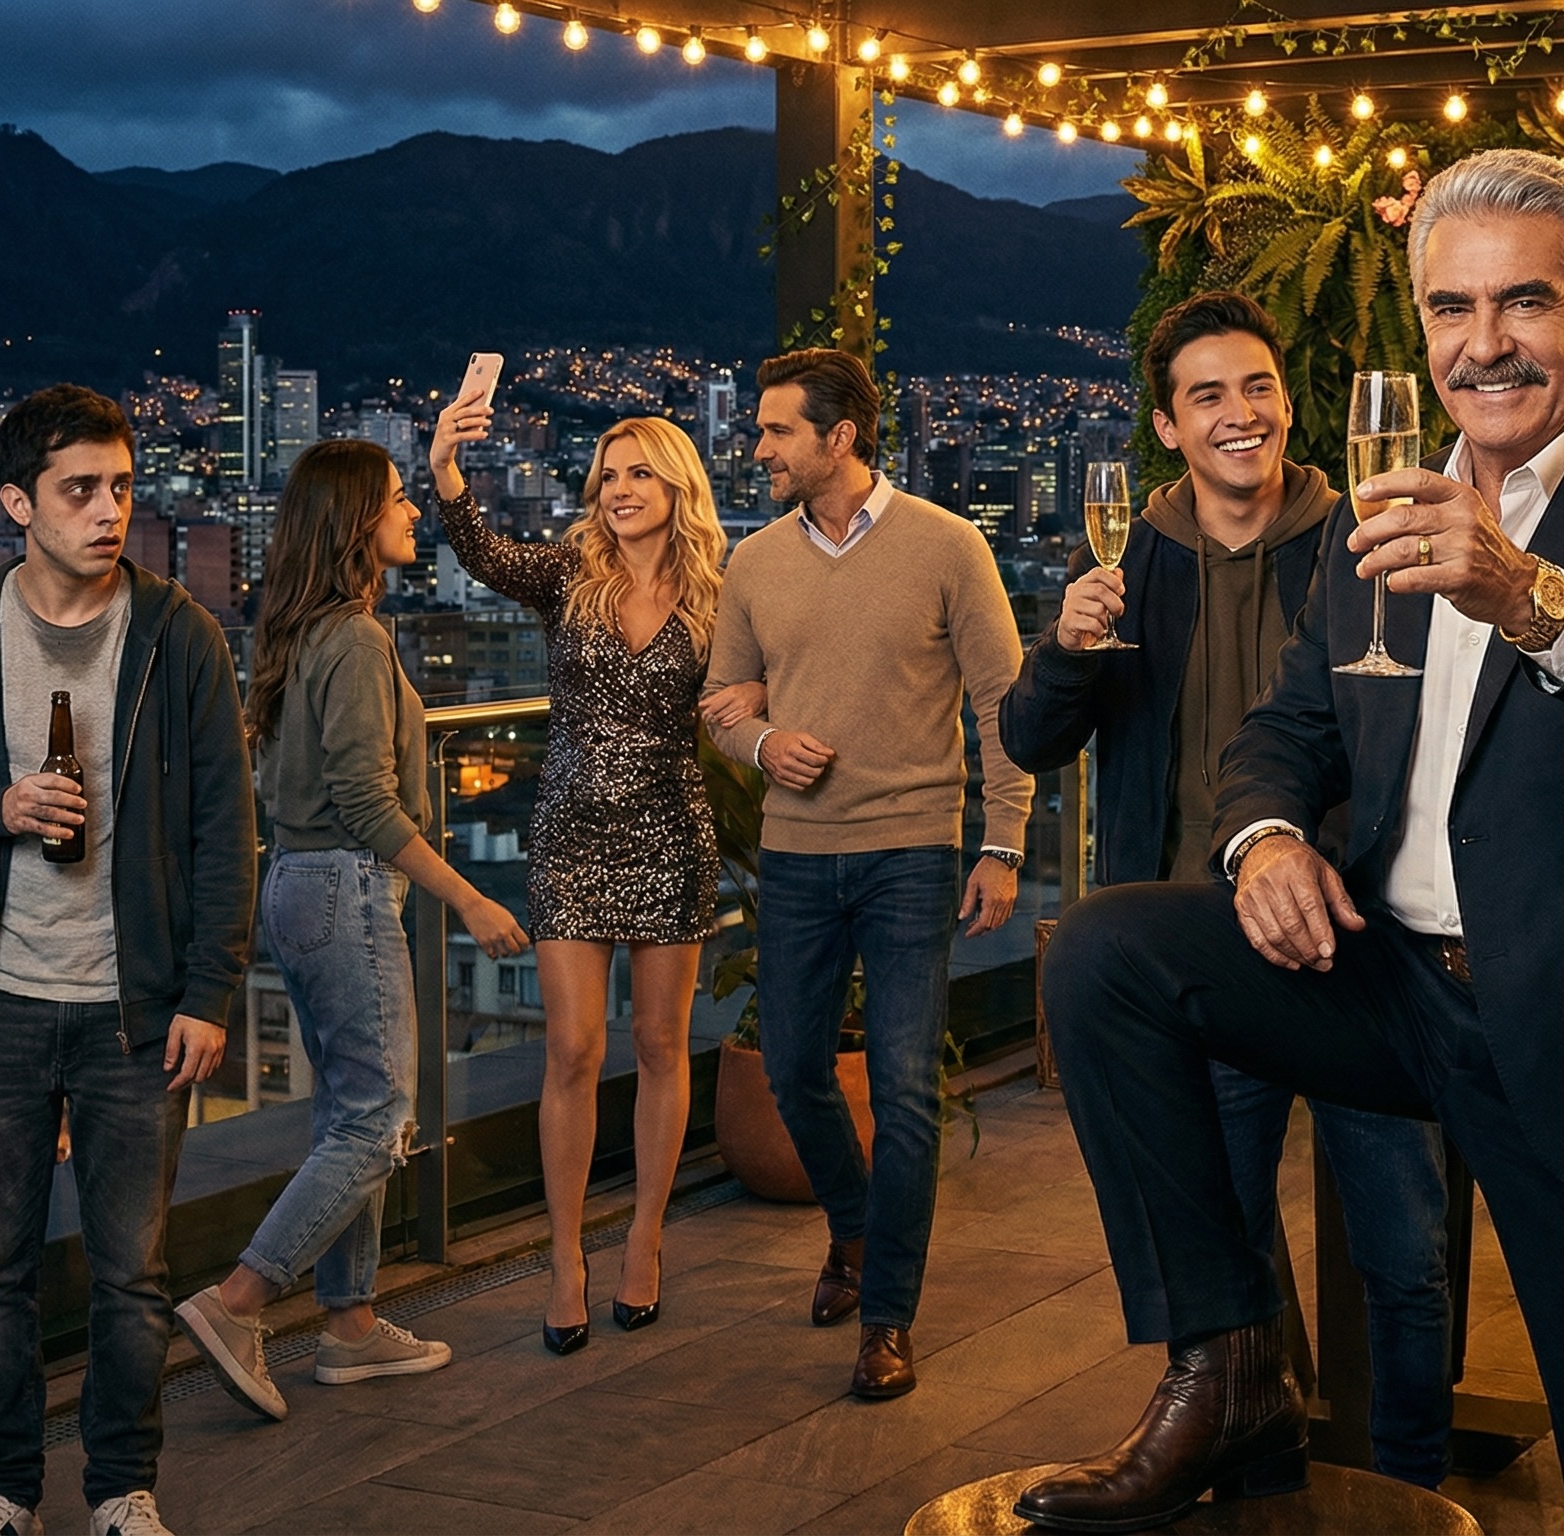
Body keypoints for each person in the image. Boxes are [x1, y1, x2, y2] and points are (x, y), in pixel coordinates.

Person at [1020, 149, 1564, 1536]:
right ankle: (1229, 1364)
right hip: (1398, 989)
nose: (1487, 341)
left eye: (1525, 303)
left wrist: (1525, 590)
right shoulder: (1374, 512)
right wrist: (1265, 838)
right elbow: (1287, 731)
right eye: (1453, 309)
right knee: (1107, 958)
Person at [999, 289, 1457, 1489]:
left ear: (1290, 406)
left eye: (1256, 388)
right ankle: (1265, 1476)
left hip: (1351, 944)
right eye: (1208, 395)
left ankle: (1414, 1485)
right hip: (1191, 964)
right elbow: (1030, 738)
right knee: (1228, 1255)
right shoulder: (1127, 558)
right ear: (1168, 425)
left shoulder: (1362, 541)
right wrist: (1061, 649)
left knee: (1405, 1253)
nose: (1238, 414)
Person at [0, 385, 254, 1536]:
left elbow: (223, 829)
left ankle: (120, 1490)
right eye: (79, 490)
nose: (106, 511)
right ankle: (2, 1489)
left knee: (131, 1279)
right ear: (15, 503)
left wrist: (209, 993)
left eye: (121, 488)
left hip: (134, 1017)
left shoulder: (177, 633)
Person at [702, 347, 1034, 1401]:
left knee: (902, 1090)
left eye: (775, 431)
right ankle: (853, 1230)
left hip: (912, 853)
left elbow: (1001, 705)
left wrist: (1005, 845)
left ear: (838, 438)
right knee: (795, 1071)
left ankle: (886, 1317)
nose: (756, 448)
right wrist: (764, 747)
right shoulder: (753, 562)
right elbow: (723, 703)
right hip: (799, 859)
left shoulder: (948, 545)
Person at [172, 440, 527, 1418]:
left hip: (290, 883)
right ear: (356, 522)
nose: (413, 513)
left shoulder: (299, 630)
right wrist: (468, 896)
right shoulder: (358, 641)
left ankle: (353, 1325)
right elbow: (367, 802)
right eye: (400, 500)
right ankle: (240, 1300)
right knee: (381, 1120)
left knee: (346, 1113)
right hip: (344, 886)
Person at [429, 406, 750, 1354]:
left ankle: (645, 1239)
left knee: (660, 1043)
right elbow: (483, 553)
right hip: (570, 834)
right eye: (608, 475)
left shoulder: (720, 597)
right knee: (571, 1049)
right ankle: (565, 1258)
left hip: (671, 832)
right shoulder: (570, 571)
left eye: (639, 474)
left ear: (677, 487)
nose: (618, 490)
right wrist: (446, 466)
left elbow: (756, 686)